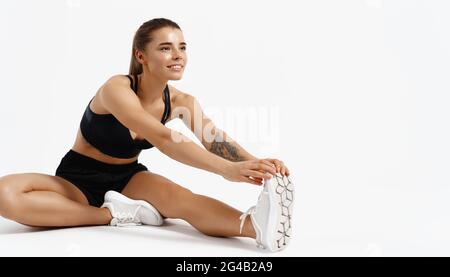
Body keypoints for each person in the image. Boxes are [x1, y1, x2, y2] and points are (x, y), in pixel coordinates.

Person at [0, 18, 294, 252]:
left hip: (129, 179)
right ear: (141, 55)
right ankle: (115, 214)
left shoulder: (181, 103)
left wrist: (258, 163)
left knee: (183, 200)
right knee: (4, 195)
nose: (177, 55)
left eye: (182, 47)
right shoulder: (117, 89)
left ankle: (255, 226)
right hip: (75, 179)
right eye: (166, 48)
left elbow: (213, 139)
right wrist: (227, 170)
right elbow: (165, 139)